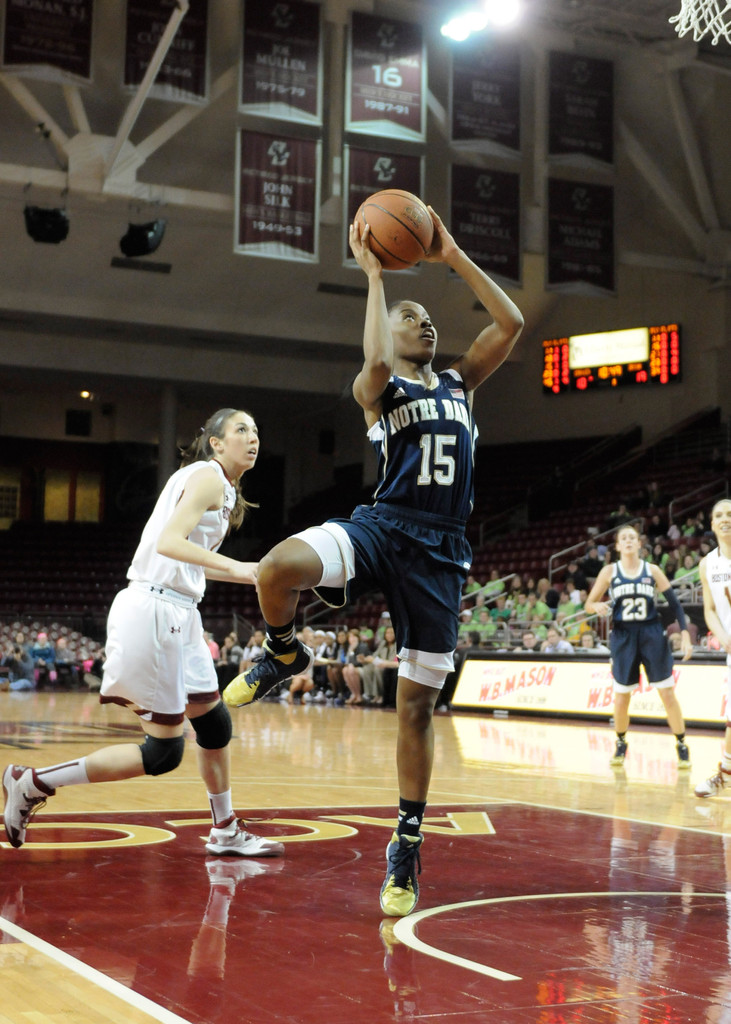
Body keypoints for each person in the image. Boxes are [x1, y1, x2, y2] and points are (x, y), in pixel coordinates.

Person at [222, 205, 524, 916]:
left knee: (414, 709)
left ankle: (407, 843)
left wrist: (450, 254)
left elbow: (508, 324)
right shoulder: (379, 391)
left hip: (441, 552)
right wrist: (373, 279)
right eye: (410, 315)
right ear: (389, 329)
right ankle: (282, 652)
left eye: (428, 319)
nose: (425, 324)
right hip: (382, 526)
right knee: (274, 569)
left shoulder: (459, 384)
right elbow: (373, 361)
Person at [2, 408, 284, 859]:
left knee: (213, 724)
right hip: (154, 608)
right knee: (163, 753)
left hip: (181, 611)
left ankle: (225, 829)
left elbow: (189, 557)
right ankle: (32, 782)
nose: (253, 438)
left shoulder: (222, 488)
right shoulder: (207, 476)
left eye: (256, 430)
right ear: (215, 442)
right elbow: (168, 543)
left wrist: (255, 575)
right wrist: (245, 569)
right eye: (241, 430)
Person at [584, 523, 693, 770]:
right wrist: (596, 607)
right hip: (623, 636)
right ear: (619, 545)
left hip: (652, 633)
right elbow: (589, 604)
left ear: (639, 543)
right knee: (622, 697)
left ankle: (682, 743)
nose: (629, 541)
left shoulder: (652, 570)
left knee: (667, 693)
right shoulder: (609, 572)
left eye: (633, 537)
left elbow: (675, 605)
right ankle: (621, 743)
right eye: (624, 538)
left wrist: (685, 634)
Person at [694, 500, 731, 797]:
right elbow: (709, 610)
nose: (725, 519)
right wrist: (725, 638)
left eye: (730, 514)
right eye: (719, 515)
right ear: (711, 523)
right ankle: (726, 775)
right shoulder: (707, 563)